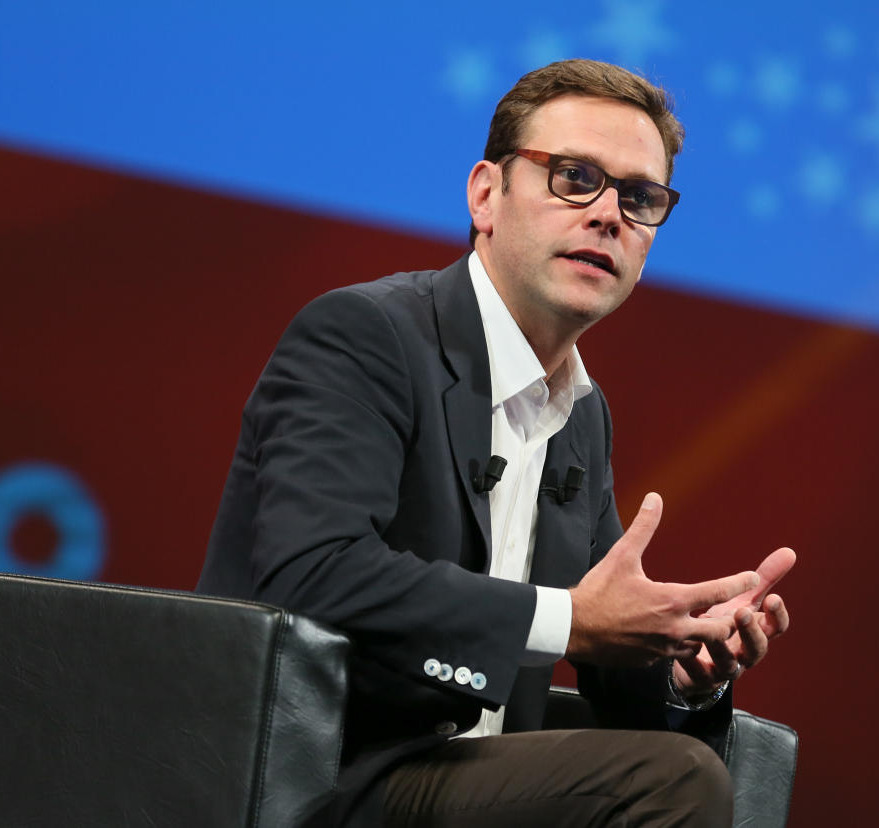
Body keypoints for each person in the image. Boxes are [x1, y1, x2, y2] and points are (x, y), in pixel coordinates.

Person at [196, 58, 794, 827]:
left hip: (471, 775)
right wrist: (567, 619)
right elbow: (311, 570)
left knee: (696, 761)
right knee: (670, 782)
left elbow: (606, 650)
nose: (608, 214)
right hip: (324, 775)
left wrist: (686, 670)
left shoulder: (582, 413)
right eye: (575, 177)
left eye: (640, 198)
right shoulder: (365, 335)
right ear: (487, 194)